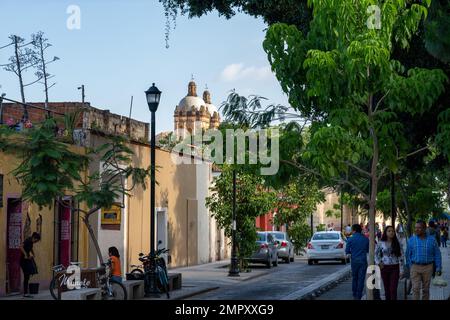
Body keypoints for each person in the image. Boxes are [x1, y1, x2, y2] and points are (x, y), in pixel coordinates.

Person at [405, 220, 442, 300]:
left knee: (426, 289)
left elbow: (437, 254)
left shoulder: (432, 240)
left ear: (425, 228)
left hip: (428, 267)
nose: (416, 229)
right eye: (415, 228)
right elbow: (407, 254)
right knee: (415, 289)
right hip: (415, 267)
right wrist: (410, 266)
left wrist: (438, 267)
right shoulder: (411, 240)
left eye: (419, 228)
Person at [375, 226, 404, 300]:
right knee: (387, 289)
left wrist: (401, 270)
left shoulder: (397, 243)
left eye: (392, 231)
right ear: (385, 232)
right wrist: (379, 263)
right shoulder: (380, 243)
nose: (391, 232)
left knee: (393, 289)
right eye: (389, 231)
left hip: (395, 268)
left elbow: (401, 257)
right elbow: (376, 254)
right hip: (384, 268)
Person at [345, 224, 369, 300]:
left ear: (353, 230)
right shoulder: (365, 239)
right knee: (361, 278)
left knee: (355, 277)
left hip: (354, 261)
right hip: (363, 260)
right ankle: (359, 295)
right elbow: (368, 250)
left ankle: (354, 293)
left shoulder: (350, 239)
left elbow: (347, 251)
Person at [20, 232, 41, 298]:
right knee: (26, 276)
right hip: (23, 260)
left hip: (27, 260)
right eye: (36, 240)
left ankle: (26, 292)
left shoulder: (31, 242)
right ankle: (25, 293)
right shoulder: (28, 240)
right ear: (34, 238)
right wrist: (25, 254)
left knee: (28, 276)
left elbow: (30, 248)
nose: (36, 242)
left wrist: (33, 253)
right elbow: (20, 246)